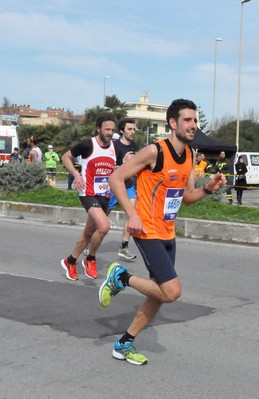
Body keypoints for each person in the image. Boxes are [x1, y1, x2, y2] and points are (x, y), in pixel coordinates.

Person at [97, 99, 226, 365]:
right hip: (147, 229)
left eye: (195, 120)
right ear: (173, 123)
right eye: (187, 120)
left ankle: (124, 343)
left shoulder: (190, 155)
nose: (193, 125)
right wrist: (132, 215)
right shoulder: (155, 152)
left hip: (168, 232)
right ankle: (121, 277)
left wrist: (209, 189)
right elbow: (115, 179)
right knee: (171, 291)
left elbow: (187, 197)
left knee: (158, 294)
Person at [60, 112, 118, 281]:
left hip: (104, 195)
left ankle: (70, 261)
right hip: (88, 192)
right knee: (104, 227)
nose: (109, 133)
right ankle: (90, 259)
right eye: (107, 129)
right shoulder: (88, 145)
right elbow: (65, 157)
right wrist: (76, 175)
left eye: (112, 130)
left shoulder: (115, 147)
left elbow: (120, 166)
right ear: (98, 128)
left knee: (88, 232)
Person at [109, 118, 139, 260]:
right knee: (103, 216)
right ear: (122, 131)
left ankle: (124, 247)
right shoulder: (114, 146)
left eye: (134, 129)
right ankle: (90, 242)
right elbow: (109, 166)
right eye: (129, 129)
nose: (132, 132)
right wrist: (120, 166)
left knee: (131, 213)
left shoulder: (133, 146)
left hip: (128, 185)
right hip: (114, 186)